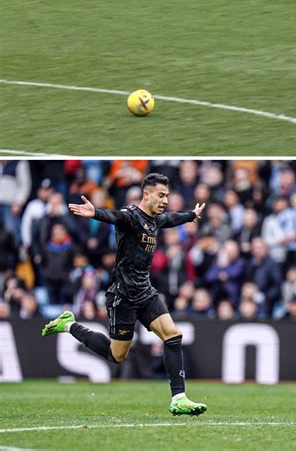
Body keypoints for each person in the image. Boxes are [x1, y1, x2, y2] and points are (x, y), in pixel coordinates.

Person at [41, 173, 207, 416]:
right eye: (161, 195)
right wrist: (96, 212)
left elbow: (170, 219)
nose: (165, 200)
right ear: (146, 194)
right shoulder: (131, 216)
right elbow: (115, 216)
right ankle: (69, 326)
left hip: (145, 292)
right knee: (117, 355)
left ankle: (179, 398)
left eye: (167, 196)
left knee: (173, 335)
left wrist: (191, 215)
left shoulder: (154, 220)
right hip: (123, 295)